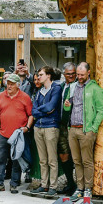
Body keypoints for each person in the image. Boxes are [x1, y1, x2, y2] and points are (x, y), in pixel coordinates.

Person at [62, 62, 103, 197]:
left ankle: (88, 188)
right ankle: (79, 188)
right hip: (73, 128)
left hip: (86, 130)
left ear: (88, 73)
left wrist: (93, 128)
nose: (79, 77)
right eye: (78, 75)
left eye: (81, 75)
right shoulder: (73, 87)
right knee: (76, 161)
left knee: (87, 161)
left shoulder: (95, 89)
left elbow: (101, 110)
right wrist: (67, 105)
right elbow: (68, 108)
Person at [0, 73, 33, 194]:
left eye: (12, 84)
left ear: (18, 85)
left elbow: (31, 115)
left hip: (18, 135)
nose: (8, 86)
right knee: (0, 160)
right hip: (3, 134)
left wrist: (27, 127)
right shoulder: (0, 96)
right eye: (7, 84)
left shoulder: (25, 97)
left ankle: (14, 184)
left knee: (16, 160)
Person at [31, 66, 62, 194]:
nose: (38, 77)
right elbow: (33, 111)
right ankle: (44, 184)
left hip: (51, 126)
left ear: (49, 75)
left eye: (41, 74)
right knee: (42, 159)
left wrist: (40, 110)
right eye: (38, 75)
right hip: (38, 127)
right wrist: (44, 111)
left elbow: (52, 106)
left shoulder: (56, 88)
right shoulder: (39, 92)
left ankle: (53, 186)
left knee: (52, 159)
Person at [56, 63, 78, 194]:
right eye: (68, 74)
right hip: (62, 124)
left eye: (73, 73)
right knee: (63, 154)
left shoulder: (79, 86)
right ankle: (70, 182)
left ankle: (79, 186)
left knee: (76, 156)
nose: (71, 76)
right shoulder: (62, 86)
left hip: (74, 124)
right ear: (64, 74)